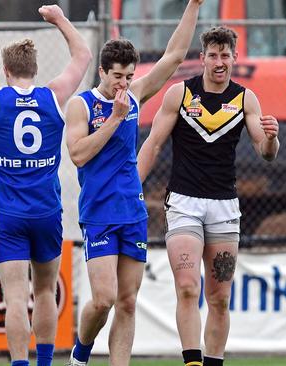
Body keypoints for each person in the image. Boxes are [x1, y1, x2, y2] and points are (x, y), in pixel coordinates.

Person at [0, 3, 92, 366]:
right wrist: (59, 19)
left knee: (15, 297)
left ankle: (19, 364)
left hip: (9, 214)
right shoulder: (53, 96)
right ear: (35, 69)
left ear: (7, 70)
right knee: (45, 290)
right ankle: (45, 363)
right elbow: (83, 55)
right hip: (46, 211)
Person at [64, 1, 204, 365]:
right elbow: (78, 155)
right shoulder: (82, 105)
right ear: (102, 72)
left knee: (127, 302)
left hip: (132, 210)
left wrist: (194, 5)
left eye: (129, 77)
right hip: (98, 212)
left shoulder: (136, 94)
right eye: (117, 77)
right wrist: (114, 119)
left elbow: (173, 56)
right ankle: (80, 352)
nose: (124, 84)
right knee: (103, 299)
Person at [137, 26, 280, 366]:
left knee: (219, 298)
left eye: (225, 55)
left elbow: (265, 151)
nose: (219, 62)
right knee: (187, 287)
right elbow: (153, 144)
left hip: (224, 208)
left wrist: (273, 138)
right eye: (213, 55)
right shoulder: (180, 95)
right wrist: (131, 189)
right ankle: (192, 363)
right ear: (202, 58)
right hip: (184, 204)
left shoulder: (246, 98)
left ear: (234, 57)